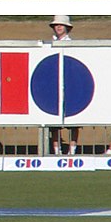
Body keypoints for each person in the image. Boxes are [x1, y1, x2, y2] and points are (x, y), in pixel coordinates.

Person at [48, 15, 79, 155]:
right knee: (54, 122)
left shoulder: (73, 44)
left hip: (71, 84)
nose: (59, 27)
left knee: (74, 121)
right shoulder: (49, 44)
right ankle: (57, 150)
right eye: (56, 25)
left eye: (61, 25)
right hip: (54, 85)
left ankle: (72, 150)